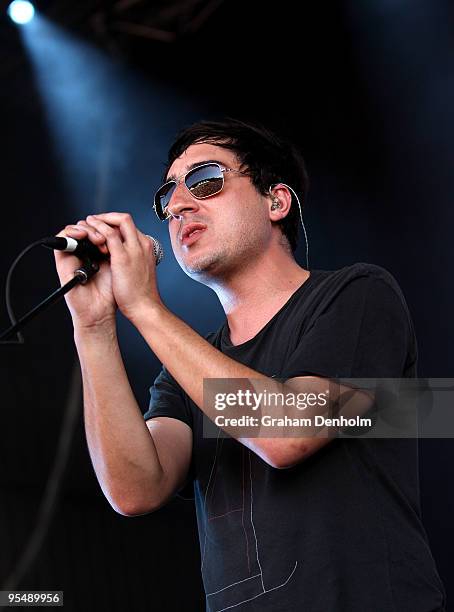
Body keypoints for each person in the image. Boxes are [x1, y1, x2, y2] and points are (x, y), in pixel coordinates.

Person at [54, 118, 446, 611]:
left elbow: (287, 433)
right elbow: (135, 489)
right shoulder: (186, 370)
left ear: (276, 201)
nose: (177, 206)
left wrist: (145, 308)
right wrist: (93, 328)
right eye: (168, 195)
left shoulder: (355, 295)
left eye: (206, 180)